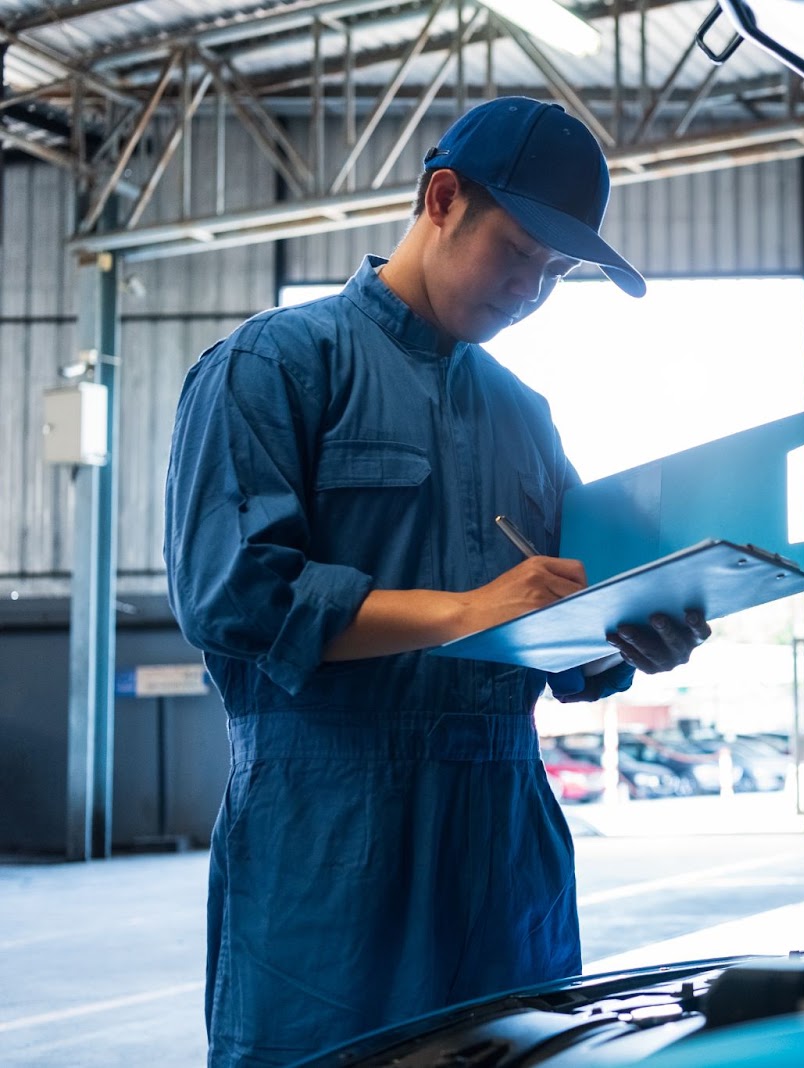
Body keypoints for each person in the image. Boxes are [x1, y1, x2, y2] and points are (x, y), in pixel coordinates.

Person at [164, 97, 711, 1067]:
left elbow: (563, 622)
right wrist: (469, 610)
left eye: (555, 274)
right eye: (519, 253)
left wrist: (625, 634)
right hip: (329, 833)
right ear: (443, 198)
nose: (532, 290)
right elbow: (236, 596)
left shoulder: (525, 415)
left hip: (507, 841)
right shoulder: (274, 366)